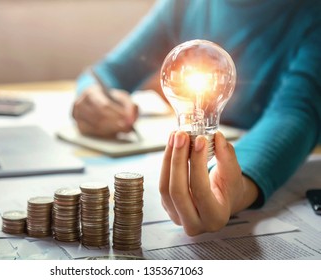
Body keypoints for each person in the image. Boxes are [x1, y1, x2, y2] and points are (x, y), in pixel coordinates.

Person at [72, 0, 321, 235]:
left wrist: (237, 185)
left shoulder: (311, 14)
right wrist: (92, 96)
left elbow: (297, 112)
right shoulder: (184, 4)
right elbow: (108, 72)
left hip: (252, 156)